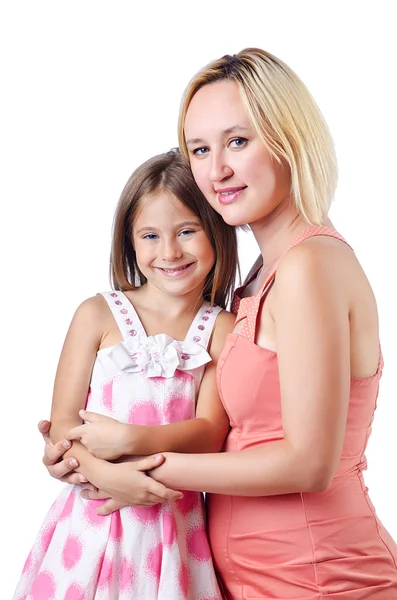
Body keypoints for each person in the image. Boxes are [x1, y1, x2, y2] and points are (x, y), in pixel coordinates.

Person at [39, 48, 397, 599]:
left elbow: (307, 464)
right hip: (236, 576)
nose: (216, 171)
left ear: (288, 138)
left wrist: (137, 468)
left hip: (316, 577)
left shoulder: (310, 266)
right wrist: (84, 458)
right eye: (200, 149)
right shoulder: (258, 277)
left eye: (237, 141)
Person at [14, 150, 238, 600]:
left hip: (173, 526)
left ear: (215, 230)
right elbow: (63, 423)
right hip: (91, 520)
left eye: (187, 231)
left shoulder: (221, 328)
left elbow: (210, 433)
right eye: (150, 235)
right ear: (130, 242)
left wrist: (130, 440)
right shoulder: (98, 313)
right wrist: (107, 474)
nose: (170, 251)